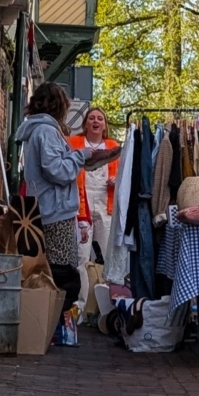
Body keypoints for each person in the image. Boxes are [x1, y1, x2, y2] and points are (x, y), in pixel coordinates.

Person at [18, 82, 100, 348]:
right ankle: (55, 328)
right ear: (60, 107)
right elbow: (58, 171)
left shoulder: (35, 131)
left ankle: (48, 325)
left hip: (44, 208)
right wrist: (81, 156)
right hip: (56, 211)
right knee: (62, 271)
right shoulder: (47, 132)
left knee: (50, 269)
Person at [68, 107, 125, 296]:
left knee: (106, 257)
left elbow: (125, 175)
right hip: (80, 206)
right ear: (85, 123)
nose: (96, 121)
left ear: (104, 125)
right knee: (81, 256)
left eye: (100, 118)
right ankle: (80, 307)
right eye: (91, 117)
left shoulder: (113, 146)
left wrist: (117, 180)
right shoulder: (74, 143)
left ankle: (104, 306)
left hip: (105, 205)